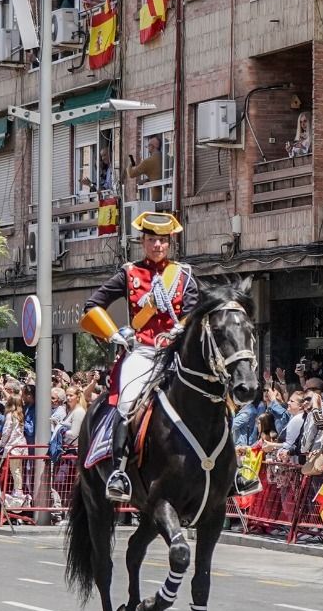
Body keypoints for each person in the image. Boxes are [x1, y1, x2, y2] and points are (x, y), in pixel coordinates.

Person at [80, 211, 233, 504]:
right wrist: (115, 334)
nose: (157, 246)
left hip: (175, 352)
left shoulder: (184, 274)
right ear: (143, 242)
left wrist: (180, 328)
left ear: (169, 243)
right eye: (152, 240)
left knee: (219, 396)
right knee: (126, 401)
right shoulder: (129, 273)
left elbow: (193, 311)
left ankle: (232, 471)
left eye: (162, 241)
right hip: (143, 352)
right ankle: (120, 471)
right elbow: (93, 305)